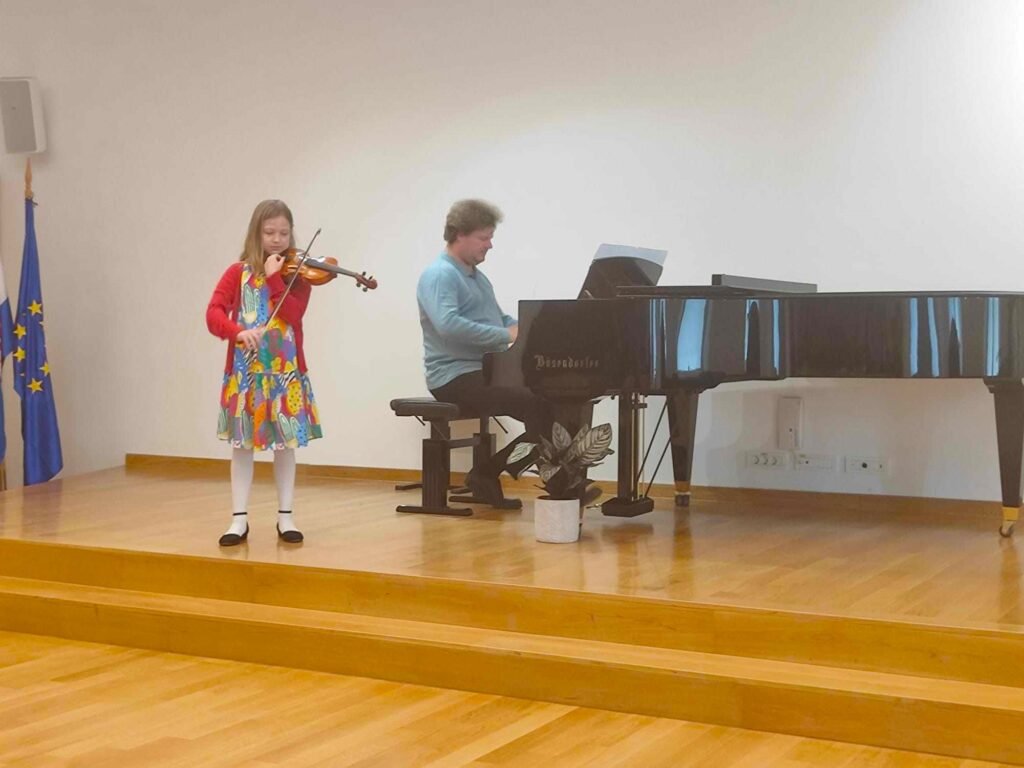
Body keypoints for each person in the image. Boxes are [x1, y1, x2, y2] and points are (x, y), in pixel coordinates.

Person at [416, 199, 555, 505]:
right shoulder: (440, 274)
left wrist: (531, 329)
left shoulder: (477, 278)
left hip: (484, 371)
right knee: (537, 405)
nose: (490, 244)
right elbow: (448, 325)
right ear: (459, 235)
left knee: (549, 405)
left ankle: (488, 472)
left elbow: (499, 319)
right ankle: (488, 473)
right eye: (484, 237)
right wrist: (506, 335)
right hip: (453, 376)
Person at [206, 199, 322, 546]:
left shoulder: (296, 276)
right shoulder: (237, 273)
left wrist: (274, 278)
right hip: (246, 375)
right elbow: (213, 313)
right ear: (256, 233)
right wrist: (237, 332)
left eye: (284, 233)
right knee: (242, 446)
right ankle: (238, 519)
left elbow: (292, 315)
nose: (276, 239)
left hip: (285, 375)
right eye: (269, 232)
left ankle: (286, 517)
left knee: (285, 445)